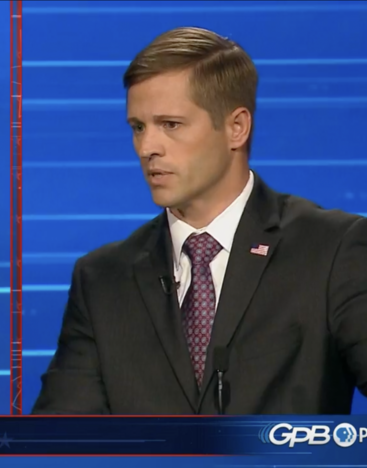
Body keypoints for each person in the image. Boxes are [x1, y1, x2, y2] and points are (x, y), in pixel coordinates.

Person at [32, 27, 367, 415]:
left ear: (236, 128)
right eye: (138, 127)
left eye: (170, 125)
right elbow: (62, 442)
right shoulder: (102, 279)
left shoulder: (330, 249)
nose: (147, 148)